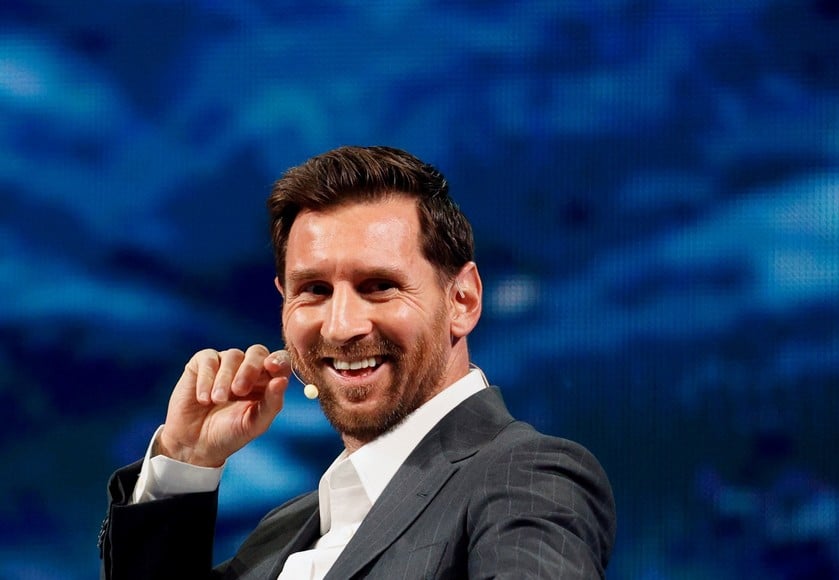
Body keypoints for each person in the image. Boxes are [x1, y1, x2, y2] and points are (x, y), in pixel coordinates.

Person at [98, 145, 616, 579]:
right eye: (314, 290)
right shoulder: (282, 531)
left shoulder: (527, 478)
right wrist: (185, 462)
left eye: (379, 286)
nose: (341, 325)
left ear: (462, 300)